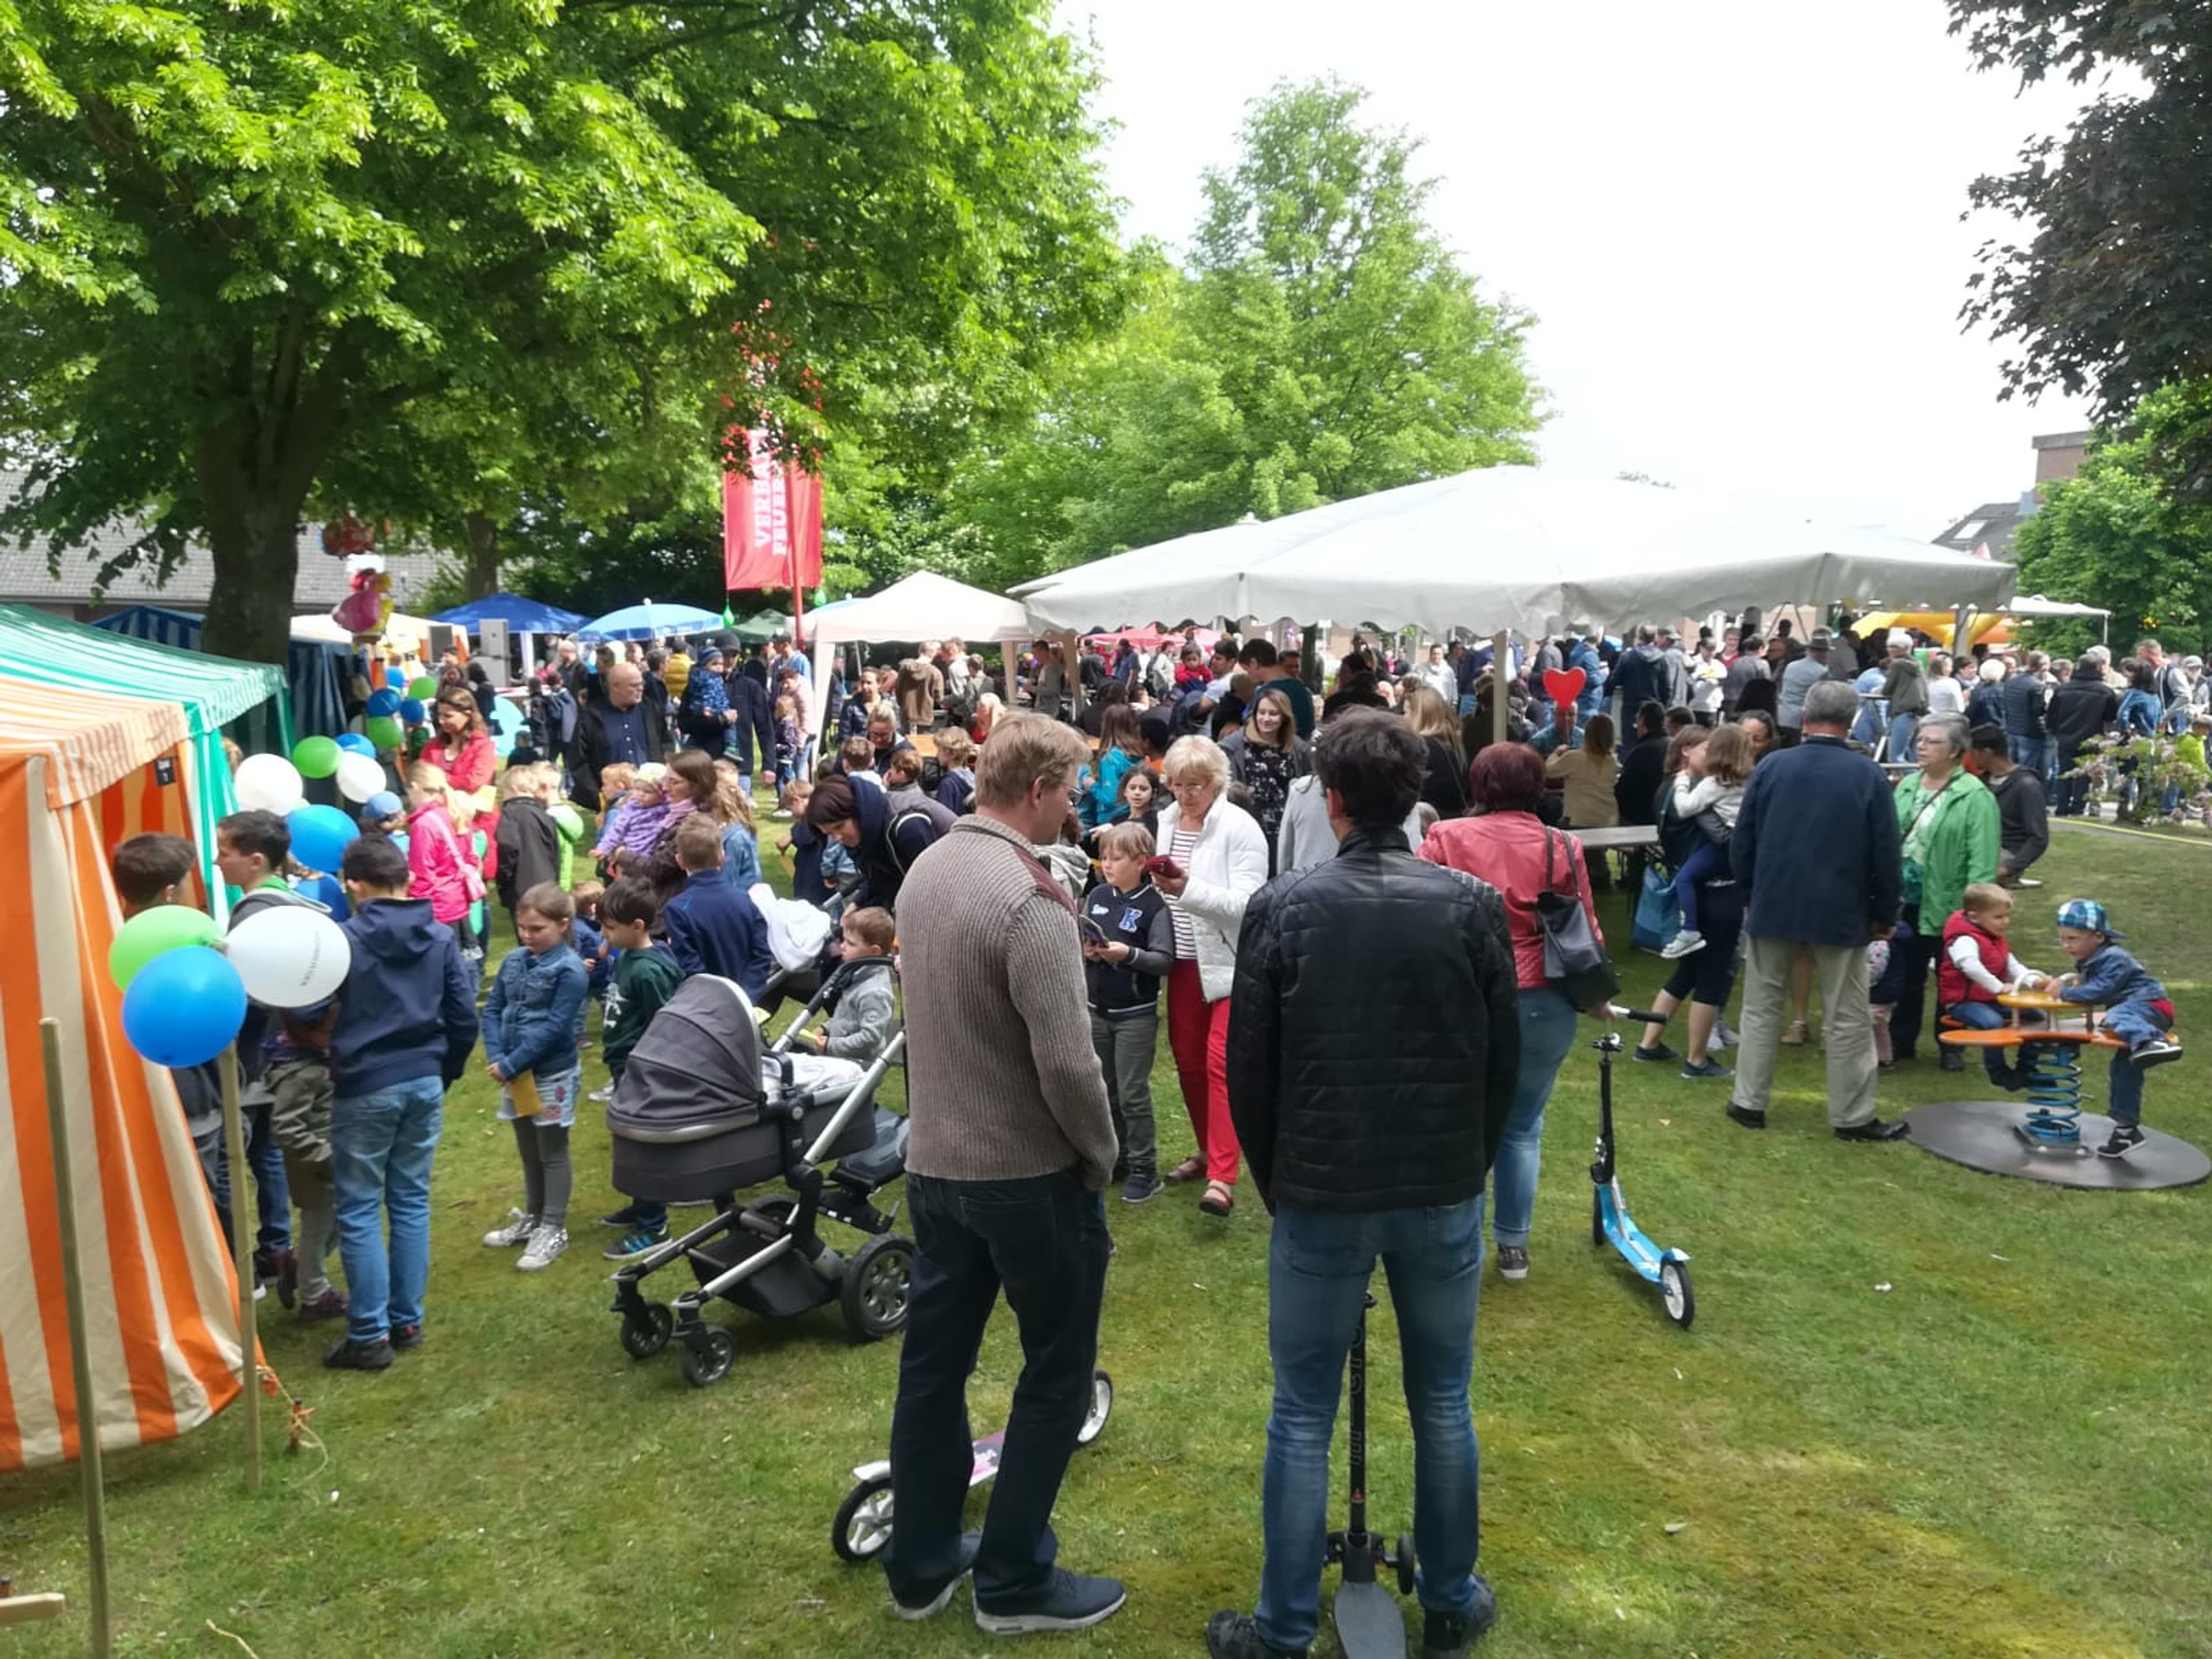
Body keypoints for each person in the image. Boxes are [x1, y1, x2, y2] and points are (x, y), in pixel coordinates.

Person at [1208, 710, 1519, 1659]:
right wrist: (1465, 1166)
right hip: (1427, 1190)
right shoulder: (1466, 906)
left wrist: (1282, 1182)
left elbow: (1249, 1072)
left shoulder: (1291, 907)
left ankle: (1287, 1628)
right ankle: (1449, 1598)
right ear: (1412, 798)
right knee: (1441, 1400)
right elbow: (1501, 1064)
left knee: (1305, 1412)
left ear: (1333, 801)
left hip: (1330, 1192)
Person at [882, 712, 1123, 1633]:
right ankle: (1014, 1580)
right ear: (1039, 790)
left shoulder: (927, 868)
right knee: (1057, 1370)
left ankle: (921, 1564)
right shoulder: (1031, 899)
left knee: (932, 1367)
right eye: (1073, 791)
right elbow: (1068, 1063)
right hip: (1024, 1176)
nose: (1077, 809)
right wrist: (1101, 1153)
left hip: (935, 1164)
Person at [1418, 743, 1602, 1281]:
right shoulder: (1562, 845)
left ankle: (1460, 1241)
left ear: (1479, 784)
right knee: (1522, 1126)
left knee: (1465, 1124)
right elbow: (1586, 928)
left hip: (1466, 993)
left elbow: (1418, 913)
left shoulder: (1446, 837)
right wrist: (1595, 996)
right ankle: (1513, 1245)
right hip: (1544, 996)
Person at [1723, 681, 1907, 1141]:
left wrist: (1750, 893)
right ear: (1851, 721)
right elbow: (1886, 852)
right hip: (1840, 908)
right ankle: (1853, 1115)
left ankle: (1748, 1101)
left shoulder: (1773, 767)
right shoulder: (1867, 775)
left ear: (1804, 717)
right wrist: (1886, 910)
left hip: (1774, 901)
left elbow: (1743, 839)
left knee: (1761, 1006)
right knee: (1846, 1013)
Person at [323, 834, 480, 1369]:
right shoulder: (438, 936)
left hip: (366, 1082)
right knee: (410, 1199)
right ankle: (406, 1320)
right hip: (421, 1078)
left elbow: (309, 1008)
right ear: (408, 879)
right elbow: (464, 1015)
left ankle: (370, 1333)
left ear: (353, 886)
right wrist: (443, 1071)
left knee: (360, 1206)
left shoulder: (344, 940)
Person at [1153, 736, 1271, 1219]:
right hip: (1181, 961)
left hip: (1230, 962)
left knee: (1221, 1063)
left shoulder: (1240, 828)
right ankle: (1207, 1151)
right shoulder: (1165, 820)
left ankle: (1223, 1176)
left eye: (1195, 786)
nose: (1185, 795)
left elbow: (1249, 904)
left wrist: (1186, 889)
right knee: (1189, 1063)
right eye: (1177, 785)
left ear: (1217, 783)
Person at [111, 834, 229, 1237]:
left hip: (126, 1099)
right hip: (191, 1095)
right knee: (202, 1208)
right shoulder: (192, 946)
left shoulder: (103, 936)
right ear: (169, 891)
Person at [478, 884, 590, 1273]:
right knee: (529, 1149)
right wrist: (498, 1056)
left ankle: (553, 1227)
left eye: (537, 929)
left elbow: (557, 1028)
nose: (527, 935)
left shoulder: (570, 970)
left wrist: (512, 1064)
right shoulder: (514, 961)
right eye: (522, 927)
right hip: (516, 1072)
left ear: (563, 924)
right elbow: (493, 1008)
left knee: (552, 1150)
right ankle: (534, 1217)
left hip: (550, 1074)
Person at [213, 810, 304, 1289]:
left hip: (253, 1053)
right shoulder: (293, 900)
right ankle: (276, 1245)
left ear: (254, 860)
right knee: (267, 1151)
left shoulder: (253, 914)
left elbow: (251, 991)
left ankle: (245, 1265)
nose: (216, 861)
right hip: (281, 1049)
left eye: (224, 852)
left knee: (233, 1156)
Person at [1890, 714, 2001, 1068]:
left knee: (1953, 976)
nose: (1921, 746)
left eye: (1932, 741)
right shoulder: (1907, 786)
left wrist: (1976, 910)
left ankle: (1951, 1044)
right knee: (1904, 972)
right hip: (1905, 900)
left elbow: (1982, 857)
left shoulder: (1975, 796)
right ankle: (1899, 1041)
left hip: (1951, 903)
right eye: (1920, 740)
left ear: (1955, 751)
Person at [594, 878, 690, 1259]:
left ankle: (655, 1226)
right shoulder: (627, 959)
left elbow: (667, 1027)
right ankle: (641, 1205)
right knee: (630, 1144)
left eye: (609, 927)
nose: (604, 934)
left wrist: (650, 1069)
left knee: (644, 1148)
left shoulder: (650, 971)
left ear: (637, 926)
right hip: (624, 1068)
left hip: (643, 1073)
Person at [1081, 823, 1175, 1204]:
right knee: (1106, 1090)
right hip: (1097, 1009)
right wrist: (1089, 951)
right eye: (1104, 857)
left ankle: (1145, 1169)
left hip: (1135, 1013)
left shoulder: (1154, 906)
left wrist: (1128, 955)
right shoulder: (1098, 895)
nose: (1106, 865)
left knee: (1133, 1093)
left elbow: (1164, 960)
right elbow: (1083, 936)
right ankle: (1117, 1158)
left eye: (1116, 858)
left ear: (1140, 863)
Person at [2049, 897, 2180, 1158]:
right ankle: (2126, 1130)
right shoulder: (2090, 958)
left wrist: (2064, 993)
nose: (2066, 945)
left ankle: (2153, 1042)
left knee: (2116, 1014)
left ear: (2098, 937)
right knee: (2124, 1069)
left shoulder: (2114, 957)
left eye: (2073, 939)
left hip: (2150, 1006)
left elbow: (2100, 991)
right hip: (2132, 1015)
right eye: (2062, 939)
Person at [1937, 882, 2048, 1090]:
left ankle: (2027, 1068)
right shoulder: (1964, 939)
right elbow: (1970, 967)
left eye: (2007, 916)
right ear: (1974, 917)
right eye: (1998, 917)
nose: (2005, 922)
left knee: (2037, 1016)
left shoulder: (1995, 938)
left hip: (1990, 1000)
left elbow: (2012, 965)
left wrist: (2035, 981)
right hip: (1963, 1002)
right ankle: (1998, 1072)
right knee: (1992, 1022)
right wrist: (1998, 987)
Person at [1658, 722, 1753, 961]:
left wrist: (1681, 783)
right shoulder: (1749, 781)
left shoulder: (1714, 784)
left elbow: (1685, 808)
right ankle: (1745, 936)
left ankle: (1689, 930)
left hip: (1720, 845)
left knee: (1685, 878)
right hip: (1742, 844)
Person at [804, 772, 952, 914]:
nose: (837, 838)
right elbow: (879, 878)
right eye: (830, 834)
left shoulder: (908, 827)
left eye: (840, 826)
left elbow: (936, 888)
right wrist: (857, 904)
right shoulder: (867, 834)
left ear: (858, 812)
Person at [661, 816, 776, 998]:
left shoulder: (678, 910)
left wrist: (717, 1001)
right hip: (744, 1001)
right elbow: (762, 953)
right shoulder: (745, 900)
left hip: (705, 1004)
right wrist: (746, 995)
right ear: (722, 857)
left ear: (680, 861)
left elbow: (688, 966)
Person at [1218, 685, 1309, 866]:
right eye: (1262, 712)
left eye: (1273, 714)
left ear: (1284, 717)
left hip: (1286, 831)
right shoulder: (1233, 747)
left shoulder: (1299, 749)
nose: (1266, 719)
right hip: (1248, 829)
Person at [571, 660, 666, 810]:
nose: (640, 689)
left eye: (641, 684)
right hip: (613, 801)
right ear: (615, 687)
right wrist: (598, 797)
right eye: (633, 686)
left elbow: (666, 743)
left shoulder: (649, 710)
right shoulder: (591, 717)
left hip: (652, 797)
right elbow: (578, 761)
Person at [1965, 725, 2050, 885]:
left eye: (1973, 752)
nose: (1969, 758)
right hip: (1980, 847)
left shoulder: (2027, 786)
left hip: (2005, 853)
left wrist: (2009, 868)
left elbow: (2039, 839)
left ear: (1987, 753)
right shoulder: (1980, 782)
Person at [2046, 653, 2119, 817]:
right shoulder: (2105, 691)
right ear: (2098, 668)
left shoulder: (2062, 689)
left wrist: (2054, 731)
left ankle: (2062, 806)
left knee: (2064, 773)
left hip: (2065, 736)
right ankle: (2078, 807)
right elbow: (2110, 717)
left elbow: (2052, 715)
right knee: (2085, 775)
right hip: (2092, 737)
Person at [493, 763, 562, 930]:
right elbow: (555, 851)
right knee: (546, 930)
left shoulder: (510, 813)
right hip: (547, 882)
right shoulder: (544, 814)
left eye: (504, 791)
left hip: (521, 886)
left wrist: (503, 878)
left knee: (527, 933)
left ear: (514, 788)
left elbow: (507, 848)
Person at [1402, 683, 1469, 819]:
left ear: (1419, 715)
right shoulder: (1450, 741)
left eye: (1406, 712)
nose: (1403, 718)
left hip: (1430, 820)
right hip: (1451, 817)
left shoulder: (1421, 746)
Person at [1546, 709, 1620, 829]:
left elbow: (1548, 771)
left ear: (1587, 735)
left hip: (1578, 820)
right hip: (1608, 820)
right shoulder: (1613, 761)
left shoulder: (1575, 757)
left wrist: (1556, 753)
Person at [423, 688, 498, 796]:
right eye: (440, 715)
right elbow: (422, 776)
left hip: (472, 806)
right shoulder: (432, 746)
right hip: (436, 806)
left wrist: (440, 779)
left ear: (468, 715)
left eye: (448, 716)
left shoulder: (483, 746)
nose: (441, 721)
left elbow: (474, 781)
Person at [1777, 628, 1835, 740]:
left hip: (1782, 715)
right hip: (1801, 720)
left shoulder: (1791, 666)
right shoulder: (1822, 672)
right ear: (1823, 653)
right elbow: (1823, 700)